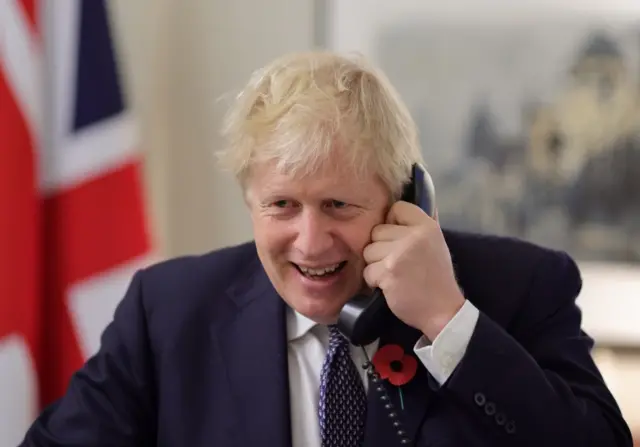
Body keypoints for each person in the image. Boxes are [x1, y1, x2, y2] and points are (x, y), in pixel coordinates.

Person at [20, 51, 632, 447]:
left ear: (405, 201)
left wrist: (449, 323)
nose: (310, 243)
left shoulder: (522, 287)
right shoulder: (169, 311)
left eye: (339, 205)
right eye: (282, 205)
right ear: (250, 200)